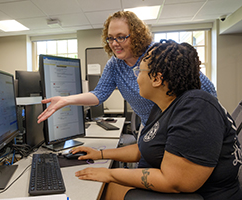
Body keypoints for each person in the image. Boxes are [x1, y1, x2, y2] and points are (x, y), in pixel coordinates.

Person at [72, 40, 242, 200]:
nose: (136, 78)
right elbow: (143, 149)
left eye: (139, 72)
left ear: (157, 78)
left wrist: (109, 174)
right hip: (180, 189)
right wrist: (99, 154)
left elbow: (173, 181)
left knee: (103, 189)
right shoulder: (164, 106)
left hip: (201, 196)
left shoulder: (196, 108)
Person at [37, 11, 216, 126]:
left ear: (136, 35)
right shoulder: (115, 65)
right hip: (151, 129)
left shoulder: (158, 55)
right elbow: (99, 94)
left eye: (121, 37)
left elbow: (207, 90)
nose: (115, 43)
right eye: (110, 38)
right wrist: (67, 100)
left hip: (179, 126)